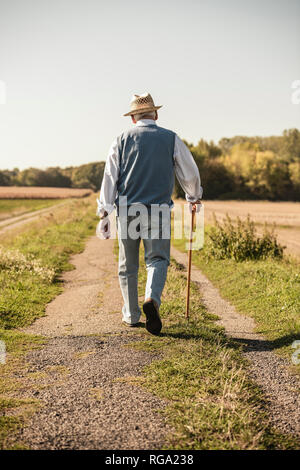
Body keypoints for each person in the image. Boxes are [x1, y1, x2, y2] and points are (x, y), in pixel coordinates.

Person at [97, 93, 202, 335]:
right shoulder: (170, 138)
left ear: (133, 118)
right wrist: (193, 197)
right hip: (158, 210)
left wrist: (105, 211)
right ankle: (152, 299)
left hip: (128, 210)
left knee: (128, 264)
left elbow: (110, 177)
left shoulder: (121, 140)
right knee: (157, 259)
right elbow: (189, 173)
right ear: (155, 114)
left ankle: (131, 315)